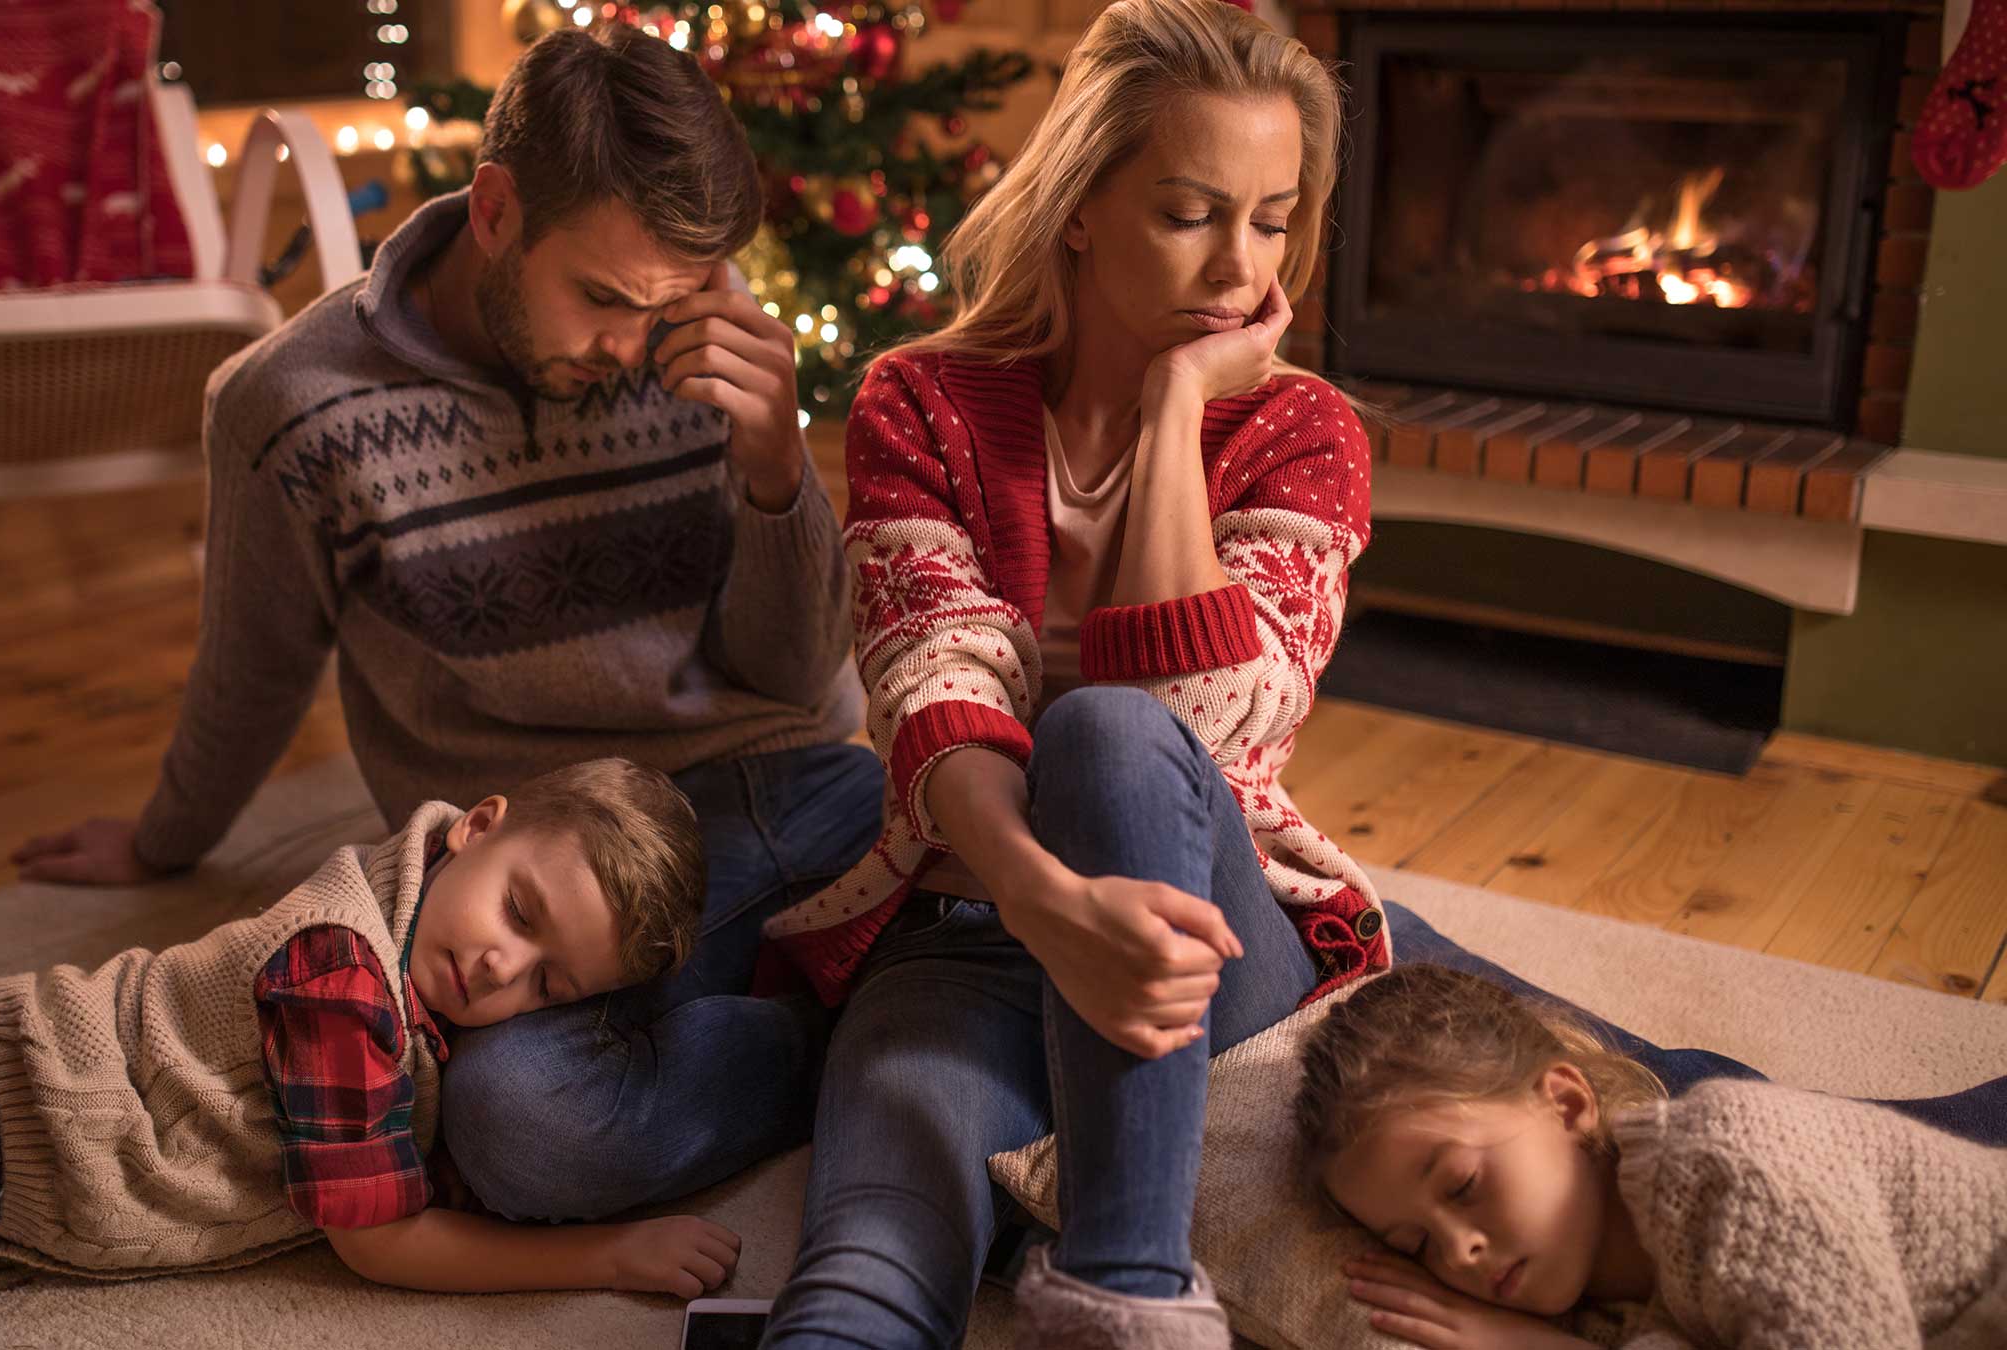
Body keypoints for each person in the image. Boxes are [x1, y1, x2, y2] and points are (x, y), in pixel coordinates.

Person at [10, 23, 883, 1221]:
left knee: (1003, 856)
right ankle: (850, 1035)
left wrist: (778, 468)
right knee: (518, 1132)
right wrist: (170, 839)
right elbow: (255, 665)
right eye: (602, 299)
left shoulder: (696, 355)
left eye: (667, 303)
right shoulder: (290, 403)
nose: (634, 346)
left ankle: (857, 995)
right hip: (536, 868)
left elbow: (797, 675)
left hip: (766, 795)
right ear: (495, 211)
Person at [747, 2, 1384, 1344]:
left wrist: (1170, 412)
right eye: (1191, 212)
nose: (1237, 266)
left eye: (1271, 221)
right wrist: (1045, 908)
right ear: (1082, 204)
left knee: (1102, 735)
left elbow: (1195, 728)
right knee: (866, 1259)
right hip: (974, 923)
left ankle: (1130, 1285)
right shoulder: (919, 401)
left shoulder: (1303, 431)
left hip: (1211, 948)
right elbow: (936, 702)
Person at [0, 759, 753, 1349]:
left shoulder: (422, 943)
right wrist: (606, 1255)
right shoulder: (340, 970)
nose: (506, 970)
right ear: (480, 824)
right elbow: (379, 1240)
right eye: (520, 913)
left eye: (551, 984)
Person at [1296, 963, 2007, 1349]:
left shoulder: (1730, 1161)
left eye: (1462, 1185)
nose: (1459, 1253)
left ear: (1567, 1104)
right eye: (1414, 1244)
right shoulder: (1600, 1303)